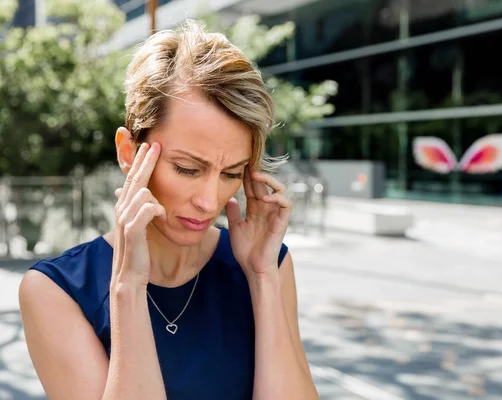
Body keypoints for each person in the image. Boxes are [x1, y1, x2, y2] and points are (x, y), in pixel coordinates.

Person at [19, 20, 318, 400]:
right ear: (129, 152)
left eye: (231, 173)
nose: (210, 202)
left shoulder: (268, 264)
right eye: (187, 169)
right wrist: (128, 289)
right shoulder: (56, 290)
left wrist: (262, 278)